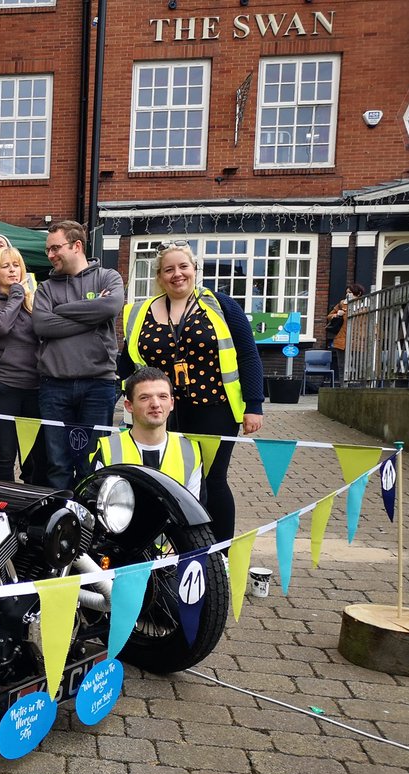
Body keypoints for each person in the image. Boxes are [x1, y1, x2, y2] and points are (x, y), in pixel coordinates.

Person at [118, 240, 264, 543]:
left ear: (195, 270)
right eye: (168, 269)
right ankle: (169, 549)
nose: (177, 274)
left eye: (183, 266)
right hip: (160, 411)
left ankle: (218, 554)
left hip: (214, 407)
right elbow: (127, 361)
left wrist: (254, 405)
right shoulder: (139, 312)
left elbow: (248, 355)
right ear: (160, 277)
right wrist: (121, 394)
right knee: (163, 479)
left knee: (212, 480)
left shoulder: (221, 305)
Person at [33, 219, 125, 490]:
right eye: (47, 250)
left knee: (92, 464)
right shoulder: (45, 288)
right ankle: (62, 514)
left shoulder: (108, 277)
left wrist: (60, 310)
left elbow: (110, 306)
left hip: (98, 384)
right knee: (57, 464)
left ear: (76, 246)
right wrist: (91, 314)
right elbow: (42, 325)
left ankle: (91, 514)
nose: (50, 255)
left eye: (55, 248)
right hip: (54, 386)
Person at [0, 246, 45, 484]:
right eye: (6, 266)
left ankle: (33, 501)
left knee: (35, 457)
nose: (13, 270)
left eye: (16, 265)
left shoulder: (33, 303)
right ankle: (4, 501)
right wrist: (16, 295)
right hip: (3, 386)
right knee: (2, 456)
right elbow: (1, 325)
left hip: (34, 386)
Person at [92, 367, 202, 499]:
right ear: (129, 406)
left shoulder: (190, 451)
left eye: (163, 397)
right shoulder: (107, 450)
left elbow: (193, 509)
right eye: (144, 398)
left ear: (172, 403)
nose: (155, 404)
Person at [326, 282, 364, 383]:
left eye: (350, 292)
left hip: (358, 340)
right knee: (342, 365)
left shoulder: (365, 306)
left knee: (359, 365)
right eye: (347, 292)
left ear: (358, 293)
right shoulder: (342, 303)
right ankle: (343, 385)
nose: (348, 294)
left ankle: (360, 386)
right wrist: (337, 314)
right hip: (342, 339)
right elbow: (329, 316)